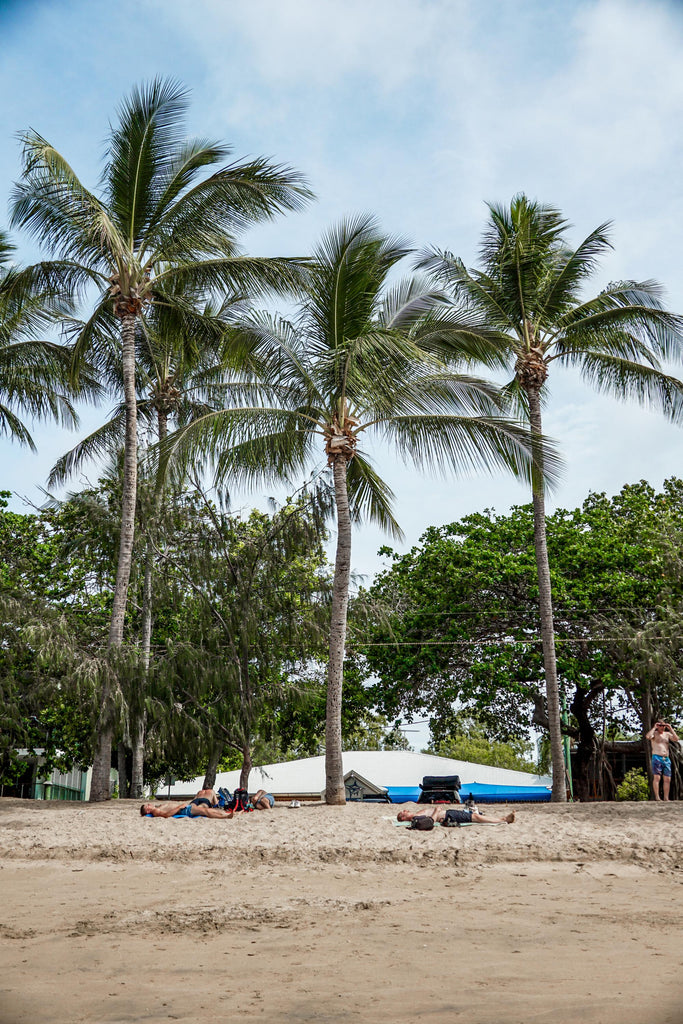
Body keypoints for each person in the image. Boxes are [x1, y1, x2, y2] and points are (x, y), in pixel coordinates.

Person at [140, 788, 234, 819]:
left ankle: (226, 814)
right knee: (205, 811)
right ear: (147, 810)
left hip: (184, 808)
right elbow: (166, 815)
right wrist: (179, 807)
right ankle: (224, 816)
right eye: (147, 806)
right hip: (184, 810)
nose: (149, 804)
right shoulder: (156, 811)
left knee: (205, 810)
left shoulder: (157, 808)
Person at [646, 720, 680, 801]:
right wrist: (654, 728)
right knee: (657, 778)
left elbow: (676, 739)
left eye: (663, 726)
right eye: (660, 725)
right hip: (657, 757)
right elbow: (647, 736)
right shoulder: (654, 734)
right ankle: (657, 797)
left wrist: (670, 728)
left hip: (666, 758)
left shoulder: (667, 734)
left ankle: (666, 797)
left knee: (667, 779)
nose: (662, 727)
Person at [397, 802, 515, 825]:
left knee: (475, 816)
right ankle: (504, 819)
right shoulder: (416, 818)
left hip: (448, 813)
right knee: (476, 817)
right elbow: (430, 822)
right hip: (448, 816)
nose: (406, 810)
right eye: (404, 812)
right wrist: (437, 811)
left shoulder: (417, 815)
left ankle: (503, 819)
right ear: (403, 818)